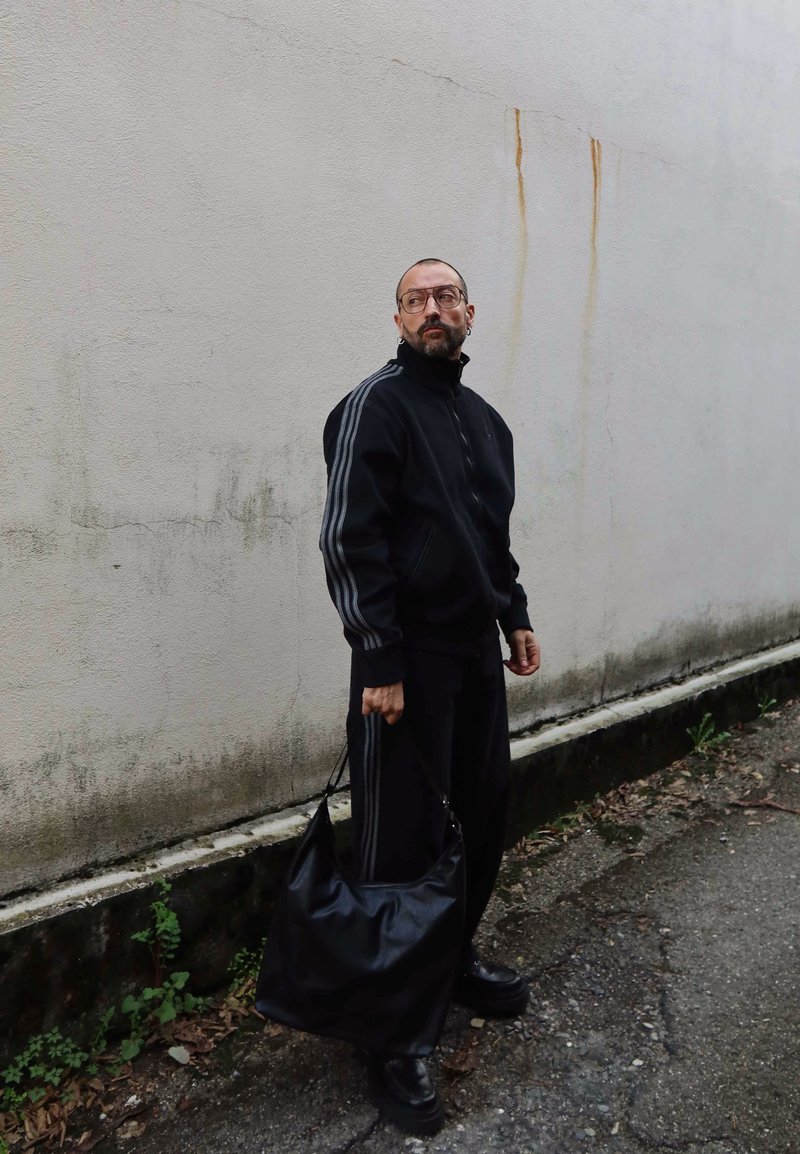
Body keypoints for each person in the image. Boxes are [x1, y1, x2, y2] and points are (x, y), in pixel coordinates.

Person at [320, 258, 540, 1136]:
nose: (432, 309)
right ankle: (391, 1032)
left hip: (473, 654)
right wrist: (378, 655)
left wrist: (514, 614)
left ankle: (447, 965)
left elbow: (492, 536)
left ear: (470, 313)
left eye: (446, 297)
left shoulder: (485, 422)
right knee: (400, 840)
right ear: (399, 319)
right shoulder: (374, 406)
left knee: (482, 818)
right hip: (402, 664)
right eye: (416, 300)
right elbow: (350, 538)